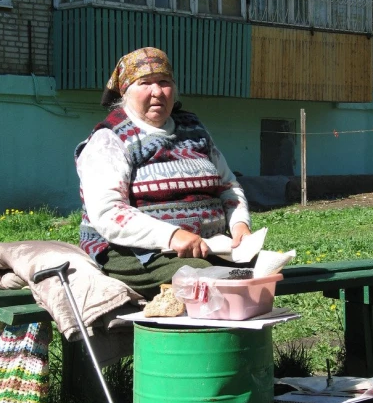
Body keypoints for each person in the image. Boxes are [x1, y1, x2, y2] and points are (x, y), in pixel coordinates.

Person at [75, 47, 252, 298]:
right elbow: (108, 212)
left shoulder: (193, 129)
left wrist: (240, 225)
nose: (157, 92)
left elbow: (228, 185)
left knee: (256, 271)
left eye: (164, 82)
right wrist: (172, 236)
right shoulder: (110, 139)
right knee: (205, 278)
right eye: (144, 83)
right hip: (133, 252)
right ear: (125, 92)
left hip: (210, 248)